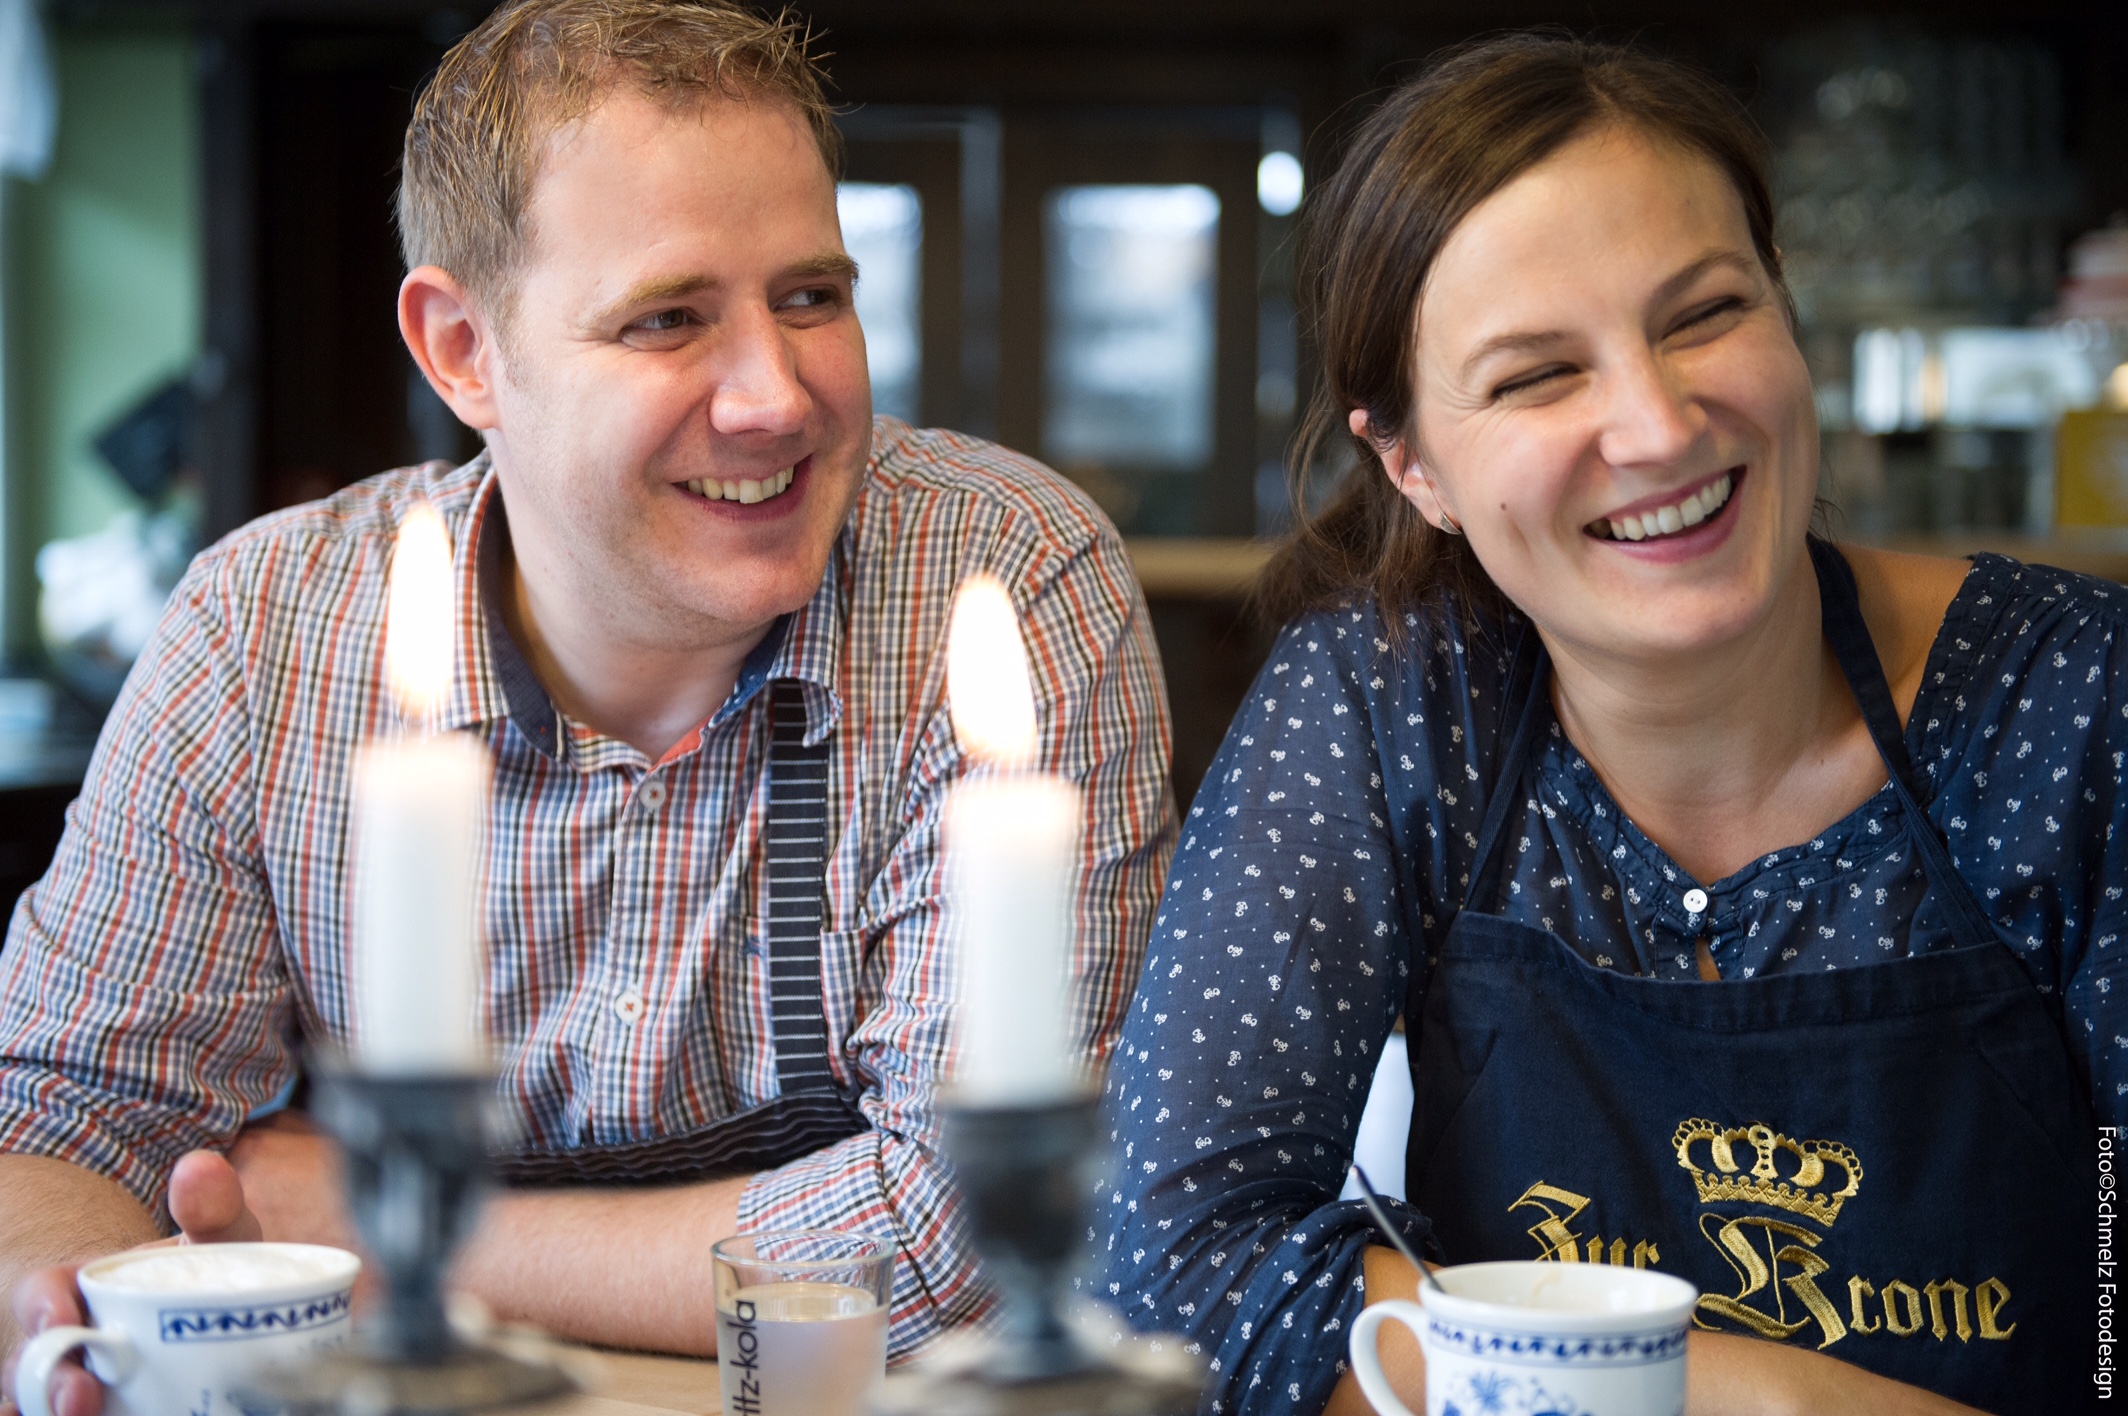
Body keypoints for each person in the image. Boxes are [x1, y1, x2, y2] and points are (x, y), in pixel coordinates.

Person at [0, 0, 1175, 1408]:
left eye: (811, 296)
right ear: (461, 352)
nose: (777, 396)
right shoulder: (265, 631)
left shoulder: (1002, 584)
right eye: (670, 318)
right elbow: (67, 1114)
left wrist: (366, 1218)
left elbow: (975, 1243)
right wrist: (56, 1305)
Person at [1097, 33, 2115, 1416]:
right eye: (1536, 376)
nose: (1655, 424)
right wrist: (1778, 1402)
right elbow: (1168, 1272)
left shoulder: (2077, 703)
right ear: (1414, 467)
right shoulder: (1391, 703)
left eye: (1704, 314)